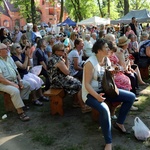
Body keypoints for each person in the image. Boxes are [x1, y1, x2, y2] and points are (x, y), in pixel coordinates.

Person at [82, 39, 135, 150]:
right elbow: (86, 84)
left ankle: (119, 123)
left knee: (131, 97)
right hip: (90, 93)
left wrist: (113, 72)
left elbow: (107, 76)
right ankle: (108, 142)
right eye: (106, 47)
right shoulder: (90, 63)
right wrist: (97, 97)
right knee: (105, 109)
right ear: (99, 49)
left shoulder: (106, 59)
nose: (108, 49)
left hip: (106, 90)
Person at [47, 43, 91, 113]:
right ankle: (83, 107)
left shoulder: (55, 57)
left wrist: (66, 58)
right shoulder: (57, 60)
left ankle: (76, 102)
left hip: (56, 79)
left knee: (77, 82)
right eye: (62, 50)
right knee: (79, 85)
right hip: (58, 81)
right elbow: (67, 72)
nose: (64, 51)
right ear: (56, 51)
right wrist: (66, 61)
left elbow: (66, 69)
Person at [0, 43, 30, 121]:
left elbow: (16, 71)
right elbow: (1, 79)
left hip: (13, 80)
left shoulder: (9, 58)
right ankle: (21, 113)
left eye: (7, 48)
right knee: (15, 91)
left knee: (27, 85)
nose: (8, 50)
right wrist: (12, 84)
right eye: (5, 49)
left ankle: (20, 104)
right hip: (3, 83)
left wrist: (20, 81)